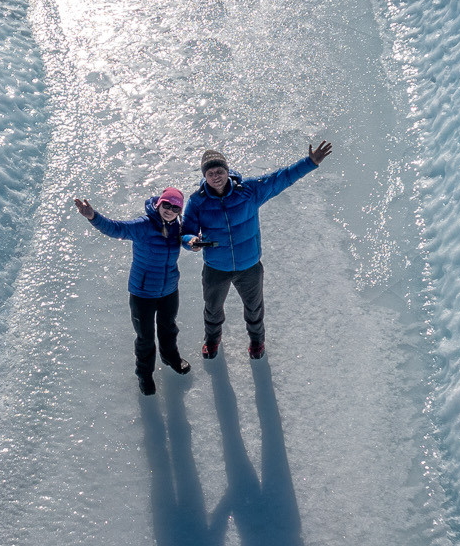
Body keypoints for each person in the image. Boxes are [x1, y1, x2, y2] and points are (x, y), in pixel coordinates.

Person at [180, 140, 331, 360]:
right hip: (216, 267)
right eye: (210, 173)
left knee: (254, 309)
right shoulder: (197, 202)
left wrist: (310, 162)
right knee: (212, 310)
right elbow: (186, 231)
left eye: (220, 171)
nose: (216, 176)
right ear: (205, 176)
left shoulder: (249, 191)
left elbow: (282, 178)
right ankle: (212, 340)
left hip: (249, 266)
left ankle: (257, 341)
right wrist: (191, 241)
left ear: (227, 170)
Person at [74, 186, 212, 394]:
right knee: (145, 337)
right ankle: (144, 374)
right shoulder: (143, 225)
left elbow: (184, 238)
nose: (170, 210)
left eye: (175, 208)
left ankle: (170, 357)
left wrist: (191, 242)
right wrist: (93, 216)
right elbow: (116, 228)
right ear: (158, 204)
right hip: (142, 293)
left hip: (168, 290)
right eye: (166, 205)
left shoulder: (177, 226)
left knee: (168, 329)